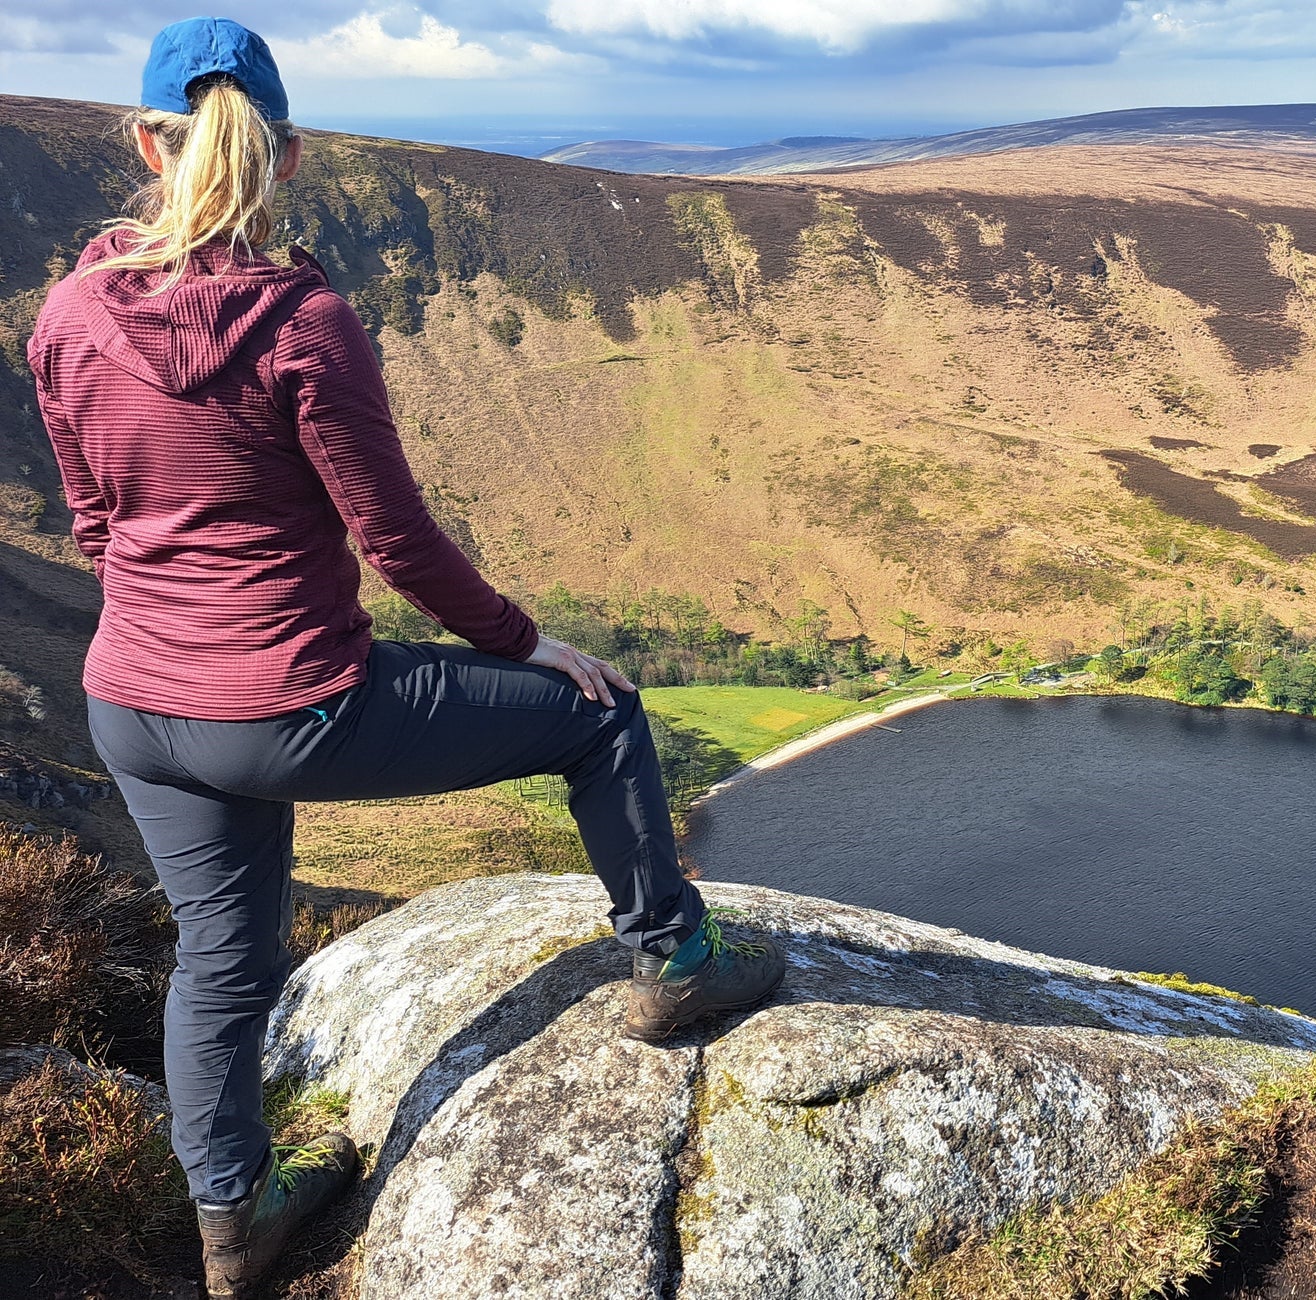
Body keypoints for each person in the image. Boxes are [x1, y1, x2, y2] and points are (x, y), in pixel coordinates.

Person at [27, 18, 786, 1298]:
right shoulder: (302, 322)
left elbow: (93, 517)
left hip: (132, 700)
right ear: (294, 155)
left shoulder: (67, 310)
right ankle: (675, 959)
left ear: (146, 145)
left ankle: (235, 1219)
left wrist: (175, 633)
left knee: (222, 958)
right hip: (284, 704)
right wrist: (532, 643)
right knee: (603, 719)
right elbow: (396, 540)